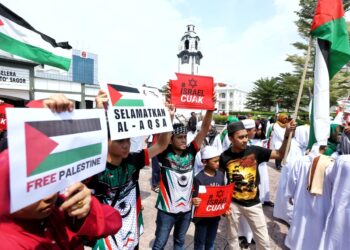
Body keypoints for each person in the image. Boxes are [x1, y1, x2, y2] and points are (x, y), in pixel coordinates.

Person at [0, 94, 122, 249]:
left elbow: (114, 220)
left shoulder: (60, 210)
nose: (50, 195)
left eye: (52, 177)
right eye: (36, 183)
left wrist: (85, 211)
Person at [86, 90, 174, 250]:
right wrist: (98, 109)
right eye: (120, 140)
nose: (126, 144)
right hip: (105, 240)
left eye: (127, 139)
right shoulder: (94, 167)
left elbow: (161, 145)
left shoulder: (134, 160)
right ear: (106, 141)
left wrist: (167, 118)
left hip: (131, 236)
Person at [220, 120, 295, 250]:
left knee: (264, 241)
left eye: (245, 136)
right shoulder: (224, 156)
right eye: (240, 137)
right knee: (232, 238)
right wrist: (222, 203)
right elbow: (221, 180)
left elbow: (280, 154)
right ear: (230, 138)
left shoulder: (255, 151)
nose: (245, 140)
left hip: (253, 204)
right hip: (233, 204)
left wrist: (287, 135)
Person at [152, 107, 214, 250]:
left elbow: (204, 130)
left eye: (185, 137)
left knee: (180, 242)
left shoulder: (191, 151)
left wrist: (210, 110)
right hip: (166, 210)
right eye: (179, 137)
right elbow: (162, 139)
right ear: (171, 140)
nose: (184, 140)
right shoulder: (164, 153)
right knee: (160, 244)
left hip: (186, 209)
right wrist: (170, 116)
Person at [192, 146, 226, 250]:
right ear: (204, 162)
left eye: (218, 160)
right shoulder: (199, 178)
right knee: (200, 243)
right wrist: (194, 201)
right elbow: (194, 198)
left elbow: (223, 194)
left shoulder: (220, 175)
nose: (218, 163)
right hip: (201, 219)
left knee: (211, 242)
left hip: (215, 218)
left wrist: (224, 208)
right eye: (215, 161)